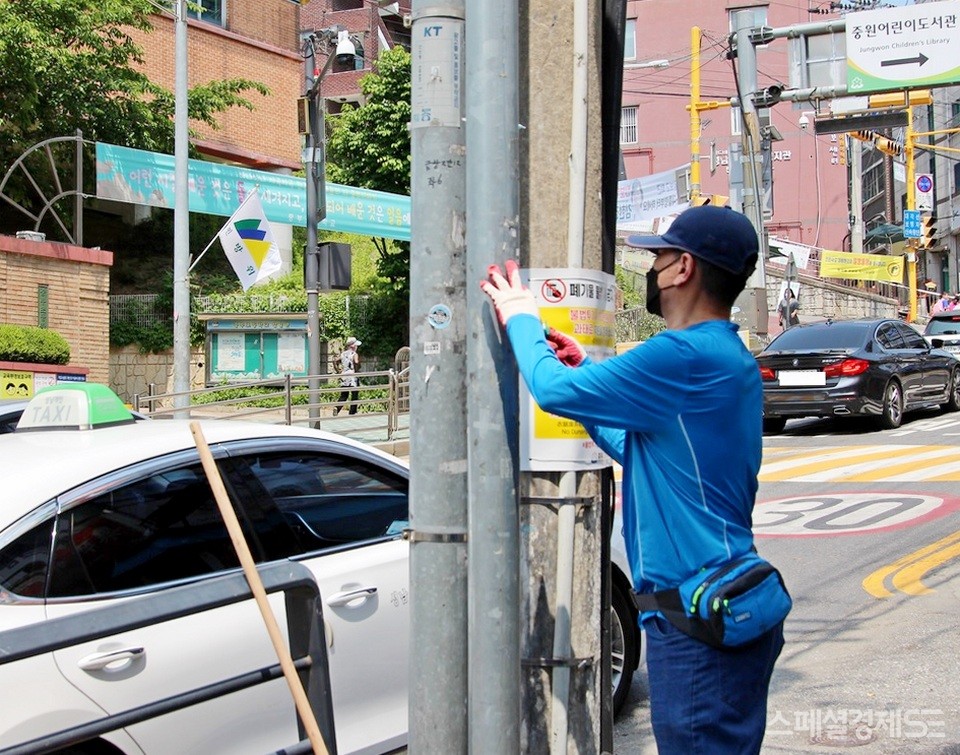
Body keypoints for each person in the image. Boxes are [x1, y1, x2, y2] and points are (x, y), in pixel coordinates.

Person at [480, 205, 785, 755]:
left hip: (696, 625)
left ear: (683, 269)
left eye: (658, 256)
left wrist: (520, 312)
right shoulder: (728, 358)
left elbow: (549, 391)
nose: (652, 267)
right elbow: (641, 450)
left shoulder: (683, 354)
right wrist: (582, 380)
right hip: (730, 605)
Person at [333, 336, 361, 416]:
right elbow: (356, 362)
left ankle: (337, 408)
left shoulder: (343, 354)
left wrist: (338, 371)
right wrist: (358, 367)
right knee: (354, 394)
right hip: (353, 376)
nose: (356, 347)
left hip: (344, 376)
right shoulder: (354, 354)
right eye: (356, 345)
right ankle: (352, 412)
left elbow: (335, 361)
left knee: (344, 395)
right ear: (352, 346)